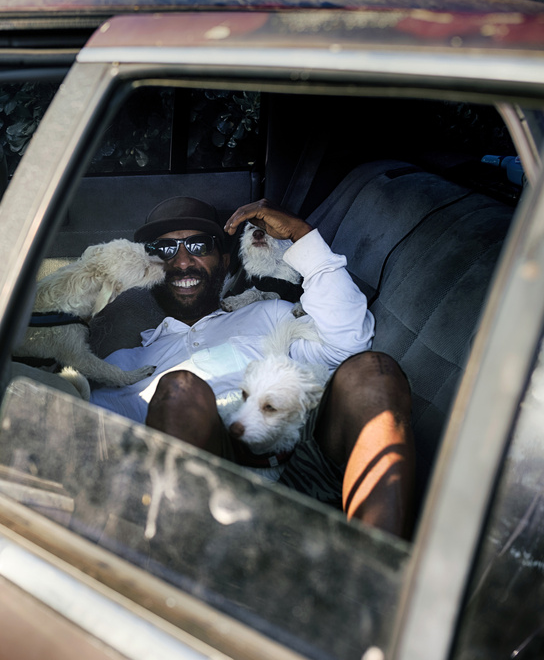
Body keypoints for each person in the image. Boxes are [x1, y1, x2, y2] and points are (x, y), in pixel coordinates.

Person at [90, 196, 415, 538]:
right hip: (201, 488)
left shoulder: (269, 313)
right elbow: (93, 445)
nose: (183, 260)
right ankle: (184, 571)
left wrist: (303, 236)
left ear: (225, 260)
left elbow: (351, 340)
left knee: (373, 370)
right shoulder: (119, 367)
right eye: (165, 250)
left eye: (198, 245)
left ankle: (383, 571)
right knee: (180, 389)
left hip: (301, 456)